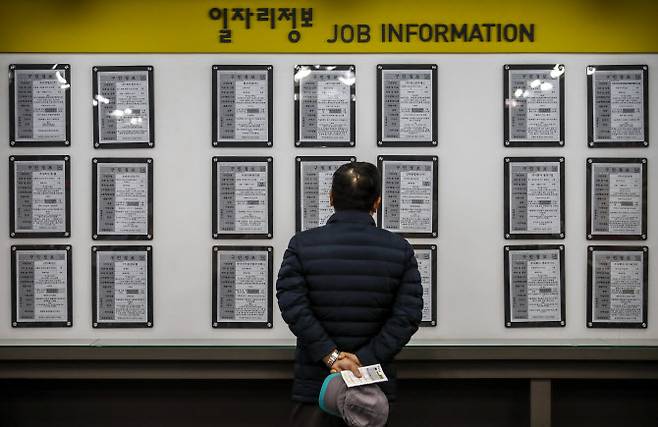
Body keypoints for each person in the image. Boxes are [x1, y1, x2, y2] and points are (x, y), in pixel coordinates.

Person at [276, 161, 424, 426]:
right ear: (377, 203)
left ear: (331, 198)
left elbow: (292, 305)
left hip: (316, 386)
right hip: (373, 392)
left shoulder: (302, 245)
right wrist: (362, 360)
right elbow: (407, 316)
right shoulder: (400, 250)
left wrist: (331, 356)